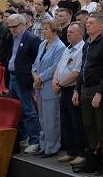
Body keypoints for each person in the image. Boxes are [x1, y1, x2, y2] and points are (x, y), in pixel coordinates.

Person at [74, 14, 103, 176]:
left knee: (102, 127)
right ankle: (93, 159)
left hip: (98, 89)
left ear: (101, 26)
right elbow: (82, 68)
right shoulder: (87, 43)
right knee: (89, 126)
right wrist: (76, 89)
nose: (87, 25)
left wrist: (99, 93)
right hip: (85, 88)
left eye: (91, 23)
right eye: (88, 23)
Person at [4, 14, 42, 153]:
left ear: (23, 24)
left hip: (24, 78)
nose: (12, 29)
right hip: (12, 77)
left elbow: (37, 60)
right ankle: (23, 136)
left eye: (14, 26)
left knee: (28, 110)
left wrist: (33, 77)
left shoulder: (32, 39)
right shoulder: (12, 37)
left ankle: (35, 140)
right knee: (15, 109)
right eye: (10, 27)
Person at [53, 22, 87, 166]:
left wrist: (60, 84)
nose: (68, 34)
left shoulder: (83, 48)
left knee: (76, 123)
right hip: (63, 88)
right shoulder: (68, 48)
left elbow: (76, 73)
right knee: (65, 122)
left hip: (74, 89)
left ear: (80, 34)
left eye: (72, 32)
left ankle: (82, 153)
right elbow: (59, 66)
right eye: (67, 32)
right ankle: (71, 151)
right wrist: (55, 81)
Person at [32, 20, 66, 157]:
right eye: (44, 28)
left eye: (46, 29)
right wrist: (35, 75)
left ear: (55, 31)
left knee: (51, 120)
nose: (44, 31)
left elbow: (55, 68)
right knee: (42, 119)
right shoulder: (42, 44)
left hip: (49, 86)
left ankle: (52, 147)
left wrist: (39, 78)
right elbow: (35, 63)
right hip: (39, 86)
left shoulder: (60, 46)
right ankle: (43, 145)